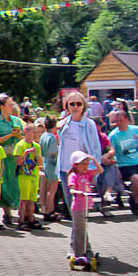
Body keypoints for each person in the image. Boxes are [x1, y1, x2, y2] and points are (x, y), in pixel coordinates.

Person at [56, 92, 101, 220]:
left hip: (81, 171)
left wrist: (93, 169)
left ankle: (81, 239)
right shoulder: (63, 124)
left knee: (80, 208)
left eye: (78, 104)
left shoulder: (89, 124)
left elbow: (95, 148)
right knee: (71, 207)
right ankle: (77, 239)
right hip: (65, 169)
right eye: (72, 104)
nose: (75, 107)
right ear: (67, 106)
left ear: (83, 106)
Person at [0, 94, 24, 226]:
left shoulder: (16, 120)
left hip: (15, 157)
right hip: (2, 157)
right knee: (4, 184)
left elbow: (24, 137)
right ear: (2, 106)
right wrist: (10, 135)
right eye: (10, 104)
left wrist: (19, 135)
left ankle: (19, 210)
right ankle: (6, 213)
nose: (13, 106)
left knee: (16, 183)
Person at [67, 151, 104, 260]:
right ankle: (79, 254)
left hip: (86, 206)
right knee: (79, 229)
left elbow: (100, 170)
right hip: (78, 207)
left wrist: (94, 160)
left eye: (86, 164)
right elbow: (71, 188)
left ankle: (81, 249)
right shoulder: (74, 175)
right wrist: (76, 192)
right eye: (82, 164)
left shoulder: (87, 174)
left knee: (81, 228)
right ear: (75, 165)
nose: (85, 166)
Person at [108, 108, 138, 214]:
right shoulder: (114, 135)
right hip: (125, 165)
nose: (118, 123)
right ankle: (135, 201)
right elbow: (111, 151)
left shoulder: (136, 130)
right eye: (116, 121)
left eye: (120, 120)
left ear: (127, 120)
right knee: (137, 179)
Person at [14, 123, 43, 230]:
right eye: (33, 132)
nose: (35, 134)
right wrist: (25, 153)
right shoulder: (20, 145)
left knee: (32, 199)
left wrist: (37, 154)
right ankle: (21, 219)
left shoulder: (37, 146)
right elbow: (18, 162)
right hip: (24, 175)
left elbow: (40, 162)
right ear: (26, 132)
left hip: (34, 174)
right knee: (24, 199)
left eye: (36, 132)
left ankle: (30, 218)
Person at [38, 116, 61, 222]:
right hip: (51, 165)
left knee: (46, 188)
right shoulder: (52, 137)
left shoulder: (43, 135)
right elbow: (53, 153)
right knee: (52, 189)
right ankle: (49, 210)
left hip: (44, 162)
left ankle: (45, 209)